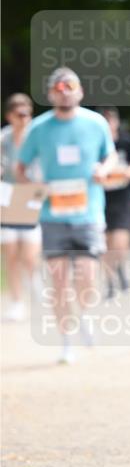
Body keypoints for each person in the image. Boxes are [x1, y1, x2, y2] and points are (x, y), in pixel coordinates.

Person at [16, 68, 116, 364]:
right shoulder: (38, 128)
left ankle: (84, 314)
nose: (64, 92)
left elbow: (109, 155)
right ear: (50, 94)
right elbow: (21, 168)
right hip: (53, 215)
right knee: (59, 281)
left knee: (87, 278)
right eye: (59, 88)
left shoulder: (95, 123)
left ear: (80, 91)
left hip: (89, 214)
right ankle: (66, 342)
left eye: (70, 87)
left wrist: (104, 170)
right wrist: (36, 188)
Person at [1, 93, 41, 321]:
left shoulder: (37, 137)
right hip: (7, 196)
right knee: (11, 254)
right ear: (10, 116)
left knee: (29, 254)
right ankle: (17, 301)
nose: (23, 119)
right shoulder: (3, 139)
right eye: (19, 114)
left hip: (31, 196)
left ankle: (33, 278)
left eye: (26, 114)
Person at [99, 106, 130, 298]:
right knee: (105, 244)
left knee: (120, 244)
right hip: (101, 200)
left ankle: (120, 267)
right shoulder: (94, 145)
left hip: (122, 199)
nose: (109, 124)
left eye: (111, 120)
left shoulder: (126, 142)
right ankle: (109, 283)